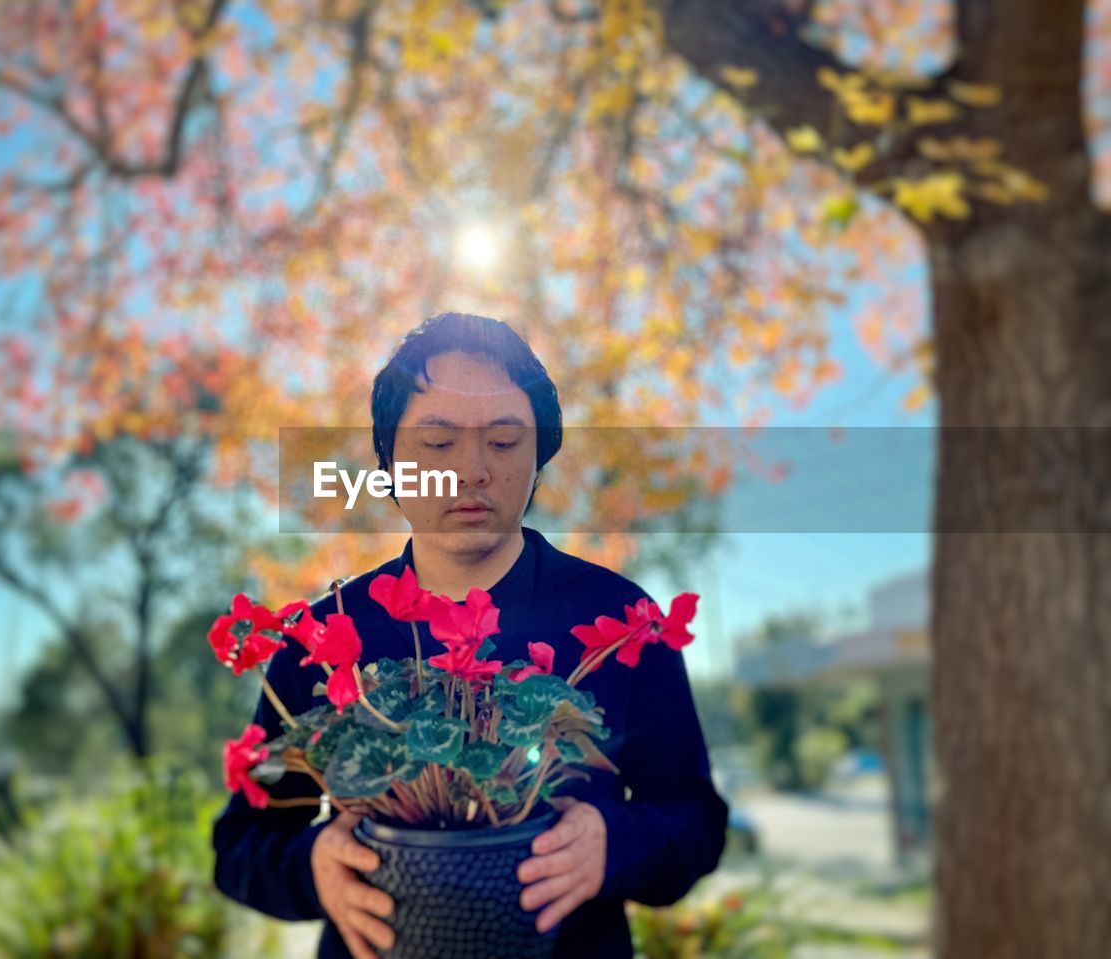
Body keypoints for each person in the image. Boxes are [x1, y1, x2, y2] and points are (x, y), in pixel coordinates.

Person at [212, 312, 729, 959]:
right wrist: (312, 863)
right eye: (436, 443)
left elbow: (697, 821)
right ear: (387, 462)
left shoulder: (620, 618)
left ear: (539, 455)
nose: (472, 470)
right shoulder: (324, 631)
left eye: (506, 442)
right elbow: (239, 846)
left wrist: (613, 843)